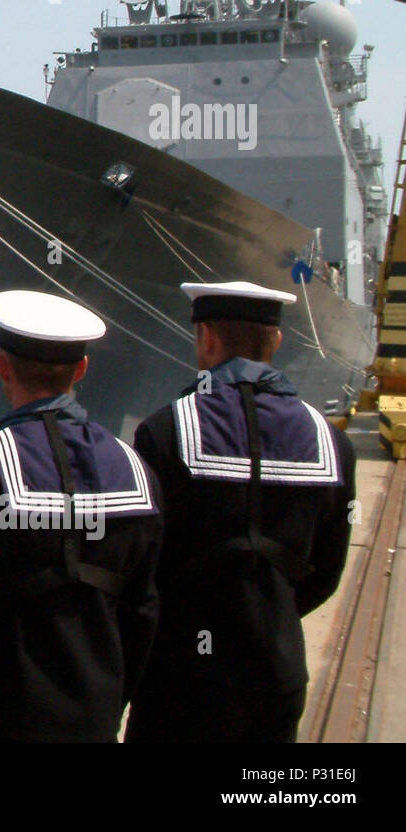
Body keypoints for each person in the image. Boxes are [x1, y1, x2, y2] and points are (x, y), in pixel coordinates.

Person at [125, 282, 356, 743]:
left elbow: (140, 568)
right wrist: (269, 611)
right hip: (277, 671)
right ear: (276, 342)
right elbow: (326, 572)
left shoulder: (164, 431)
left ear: (207, 338)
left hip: (180, 678)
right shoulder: (331, 442)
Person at [0, 291, 161, 743]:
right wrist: (113, 697)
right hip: (96, 712)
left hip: (4, 716)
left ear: (3, 367)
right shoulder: (135, 470)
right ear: (81, 370)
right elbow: (143, 612)